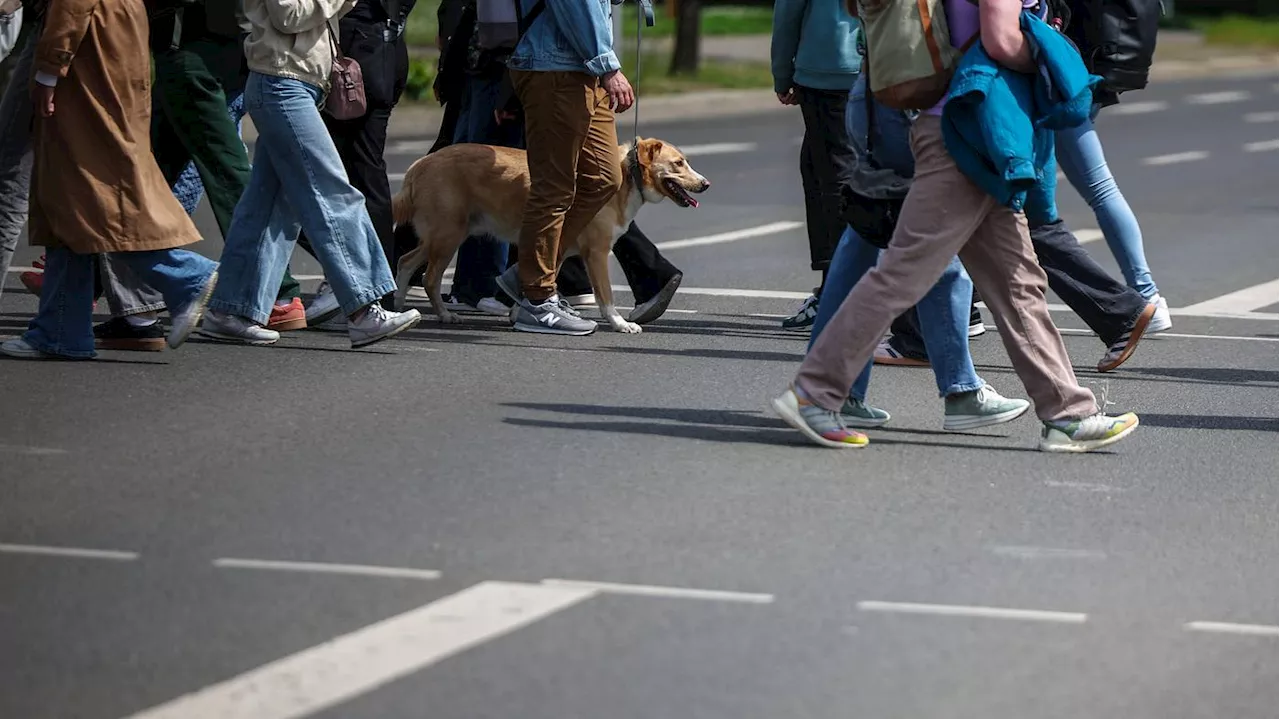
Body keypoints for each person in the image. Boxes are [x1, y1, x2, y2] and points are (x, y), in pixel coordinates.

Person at [770, 0, 1139, 453]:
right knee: (903, 274)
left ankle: (1068, 414)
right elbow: (1002, 39)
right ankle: (815, 390)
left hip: (972, 128)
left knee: (1017, 281)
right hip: (965, 132)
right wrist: (1048, 53)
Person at [810, 67, 1031, 436]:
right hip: (912, 101)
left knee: (868, 244)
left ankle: (832, 391)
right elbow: (992, 32)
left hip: (881, 94)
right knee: (934, 247)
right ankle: (825, 391)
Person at [1, 0, 217, 360]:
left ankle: (184, 276)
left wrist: (49, 67)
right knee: (75, 190)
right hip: (107, 36)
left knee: (90, 185)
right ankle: (60, 329)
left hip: (86, 45)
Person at [200, 0, 420, 349]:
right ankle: (364, 309)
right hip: (282, 83)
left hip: (292, 82)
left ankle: (231, 310)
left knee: (268, 208)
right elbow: (288, 14)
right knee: (332, 193)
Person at [491, 0, 634, 336]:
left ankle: (528, 273)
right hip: (555, 66)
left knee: (604, 177)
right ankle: (538, 300)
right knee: (554, 187)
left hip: (581, 66)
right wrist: (607, 66)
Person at [299, 0, 416, 325]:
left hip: (352, 56)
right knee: (368, 174)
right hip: (386, 49)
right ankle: (377, 287)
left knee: (314, 176)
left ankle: (351, 275)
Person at [770, 0, 860, 331]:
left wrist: (782, 73)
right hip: (876, 65)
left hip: (826, 69)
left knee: (831, 178)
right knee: (837, 169)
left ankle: (837, 290)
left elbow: (787, 15)